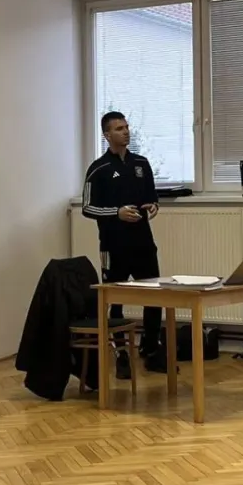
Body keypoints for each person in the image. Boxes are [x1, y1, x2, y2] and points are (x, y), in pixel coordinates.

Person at [81, 112, 161, 373]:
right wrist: (116, 213)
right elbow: (87, 208)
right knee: (115, 300)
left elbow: (151, 197)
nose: (126, 132)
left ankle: (151, 349)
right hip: (114, 246)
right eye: (119, 128)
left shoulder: (141, 163)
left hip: (143, 242)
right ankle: (121, 354)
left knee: (154, 295)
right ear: (107, 135)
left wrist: (153, 205)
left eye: (127, 127)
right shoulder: (98, 169)